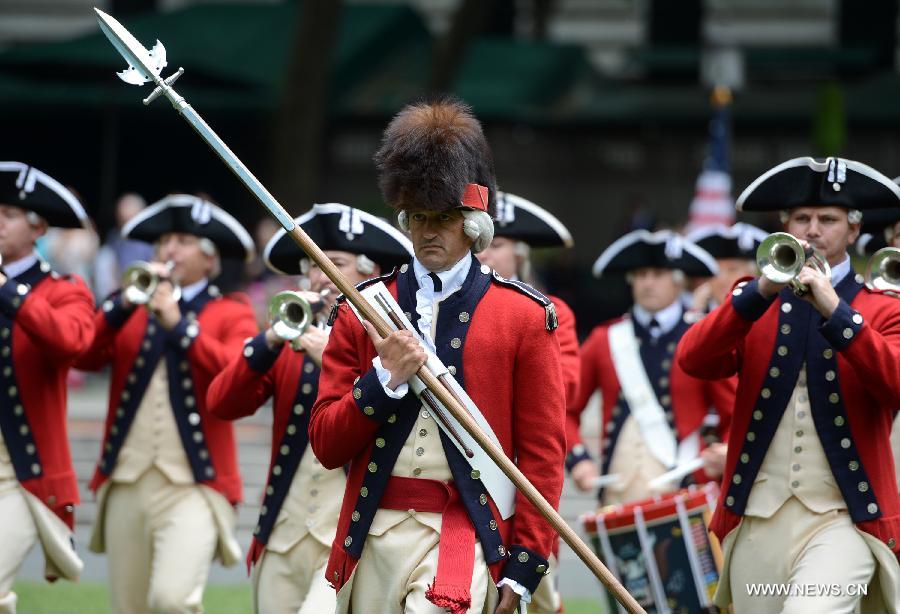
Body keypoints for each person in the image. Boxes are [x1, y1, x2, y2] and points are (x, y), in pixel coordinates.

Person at [309, 98, 566, 614]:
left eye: (445, 217)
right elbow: (327, 445)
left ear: (473, 224)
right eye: (420, 216)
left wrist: (523, 567)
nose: (430, 231)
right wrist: (384, 379)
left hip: (465, 528)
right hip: (371, 532)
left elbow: (542, 454)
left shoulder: (524, 316)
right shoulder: (361, 309)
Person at [677, 156, 900, 613]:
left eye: (829, 220)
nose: (813, 230)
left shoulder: (882, 307)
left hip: (844, 519)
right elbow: (694, 359)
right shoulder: (754, 299)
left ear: (854, 231)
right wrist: (756, 292)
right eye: (802, 218)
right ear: (784, 225)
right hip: (757, 515)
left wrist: (836, 311)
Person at [206, 203, 413, 614]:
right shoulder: (291, 341)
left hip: (352, 533)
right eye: (312, 265)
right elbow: (221, 403)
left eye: (334, 263)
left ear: (370, 273)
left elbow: (394, 415)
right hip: (282, 532)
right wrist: (269, 339)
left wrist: (331, 360)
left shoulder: (393, 343)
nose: (320, 277)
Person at [75, 193, 258, 614]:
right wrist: (121, 303)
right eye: (163, 242)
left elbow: (238, 372)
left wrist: (180, 326)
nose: (168, 250)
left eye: (182, 240)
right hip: (127, 479)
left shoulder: (231, 310)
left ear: (210, 260)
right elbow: (83, 355)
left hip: (194, 484)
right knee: (130, 607)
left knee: (171, 600)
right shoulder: (131, 306)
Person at [566, 229, 736, 505]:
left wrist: (727, 451)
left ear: (679, 281)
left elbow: (735, 413)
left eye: (659, 274)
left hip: (687, 494)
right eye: (641, 275)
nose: (648, 283)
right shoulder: (604, 339)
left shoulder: (703, 338)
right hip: (617, 496)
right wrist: (579, 460)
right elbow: (564, 409)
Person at [0, 162, 95, 614]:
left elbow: (70, 342)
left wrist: (7, 290)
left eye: (7, 213)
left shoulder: (65, 289)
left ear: (37, 226)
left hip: (20, 474)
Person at [476, 190, 577, 614]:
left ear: (521, 256)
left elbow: (564, 387)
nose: (486, 255)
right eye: (482, 243)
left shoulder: (552, 312)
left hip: (524, 475)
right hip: (473, 472)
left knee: (535, 597)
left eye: (497, 246)